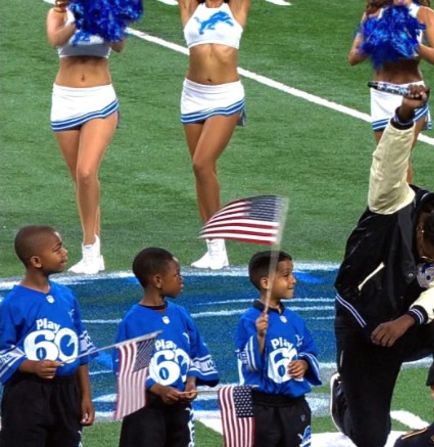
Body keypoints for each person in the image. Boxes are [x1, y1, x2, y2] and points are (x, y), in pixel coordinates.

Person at [330, 85, 434, 447]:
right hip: (362, 326)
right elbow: (388, 162)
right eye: (426, 253)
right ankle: (344, 394)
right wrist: (405, 116)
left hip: (403, 323)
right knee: (372, 438)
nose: (429, 262)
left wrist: (408, 319)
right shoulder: (391, 202)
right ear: (421, 230)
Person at [46, 0, 126, 274]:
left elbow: (119, 45)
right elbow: (55, 40)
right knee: (80, 180)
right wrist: (76, 19)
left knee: (86, 171)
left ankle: (90, 248)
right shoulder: (58, 12)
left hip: (99, 99)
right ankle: (95, 252)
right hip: (65, 101)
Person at [0, 225, 96, 445]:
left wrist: (85, 395)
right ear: (36, 261)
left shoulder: (67, 296)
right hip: (28, 395)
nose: (65, 253)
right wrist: (32, 366)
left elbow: (81, 348)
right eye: (57, 249)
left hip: (67, 393)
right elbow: (2, 352)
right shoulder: (13, 304)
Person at [116, 247, 219, 446]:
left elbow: (195, 352)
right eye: (176, 274)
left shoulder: (180, 315)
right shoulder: (136, 321)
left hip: (180, 410)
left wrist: (191, 380)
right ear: (157, 280)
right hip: (145, 412)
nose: (182, 279)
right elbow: (129, 369)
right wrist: (158, 389)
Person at [179, 0, 250, 269]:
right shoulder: (188, 6)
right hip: (192, 96)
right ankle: (214, 247)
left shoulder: (235, 7)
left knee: (202, 163)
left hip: (226, 95)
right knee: (201, 172)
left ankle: (219, 246)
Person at [348, 0, 434, 182]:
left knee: (398, 158)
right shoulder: (374, 12)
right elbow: (353, 57)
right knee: (387, 159)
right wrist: (374, 42)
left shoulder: (424, 14)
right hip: (380, 96)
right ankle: (399, 206)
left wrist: (411, 43)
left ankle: (405, 208)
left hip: (410, 94)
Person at [234, 250, 322, 447]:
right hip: (261, 407)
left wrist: (304, 364)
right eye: (286, 275)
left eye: (292, 274)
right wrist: (260, 337)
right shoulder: (249, 320)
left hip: (295, 405)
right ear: (266, 283)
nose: (294, 280)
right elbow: (248, 364)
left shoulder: (295, 320)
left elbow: (309, 349)